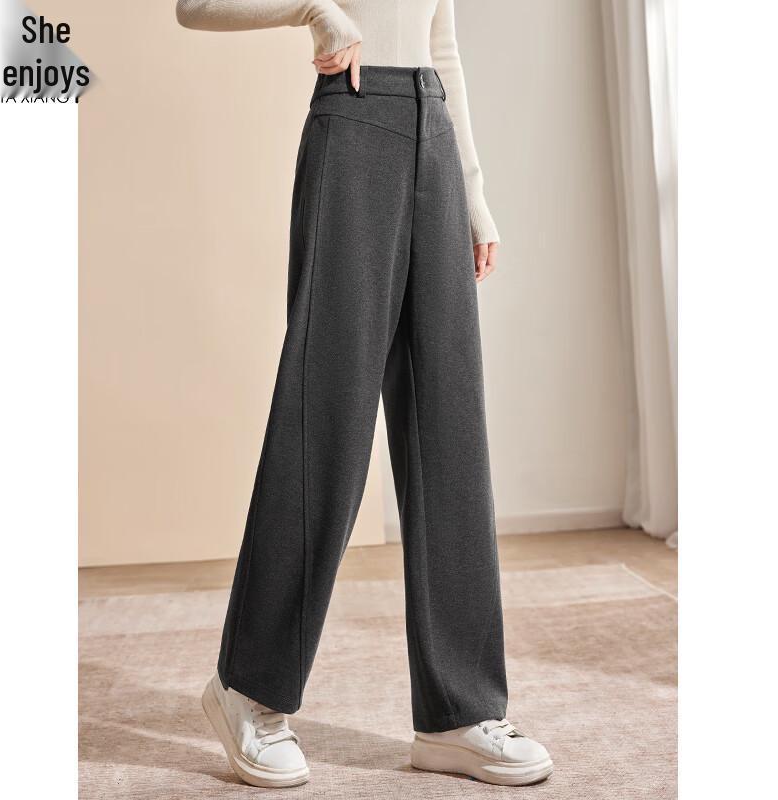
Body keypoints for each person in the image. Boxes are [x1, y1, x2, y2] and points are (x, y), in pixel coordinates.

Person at [176, 0, 552, 788]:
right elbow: (195, 5)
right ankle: (248, 690)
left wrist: (472, 193)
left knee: (450, 426)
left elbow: (439, 39)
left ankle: (457, 711)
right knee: (326, 420)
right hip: (352, 128)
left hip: (433, 131)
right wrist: (314, 8)